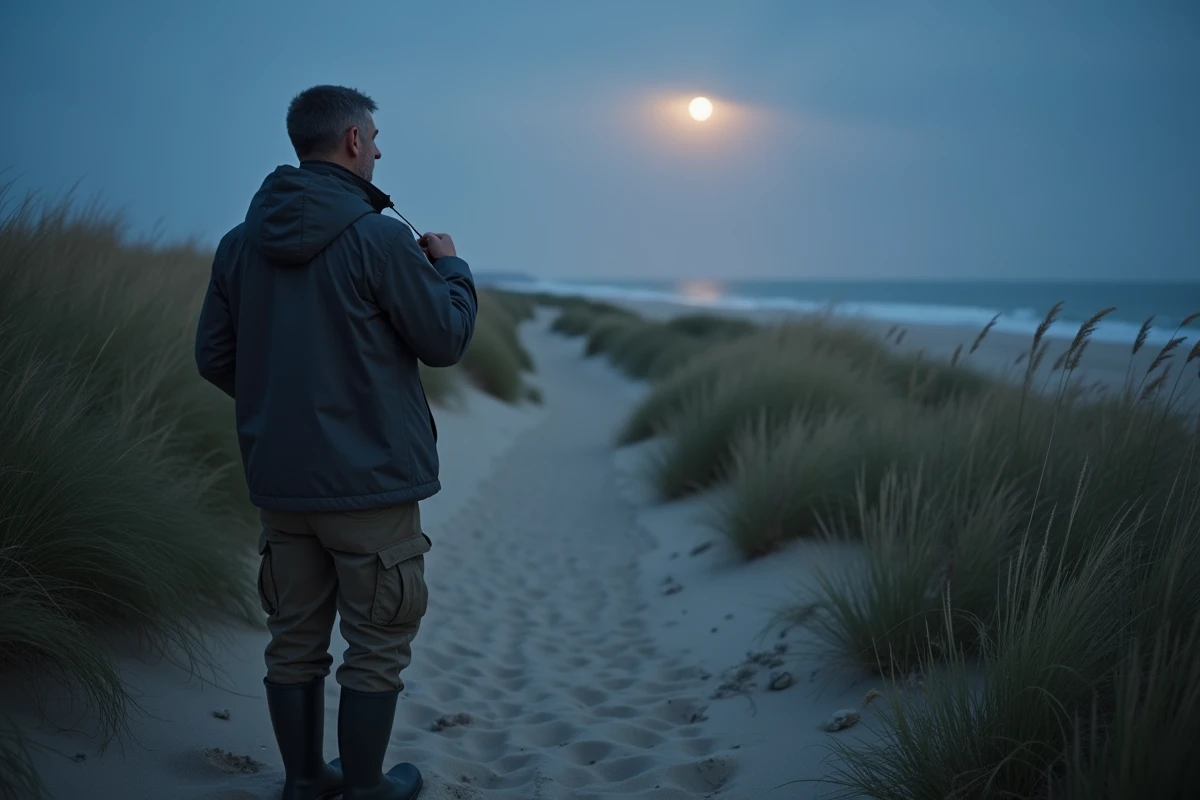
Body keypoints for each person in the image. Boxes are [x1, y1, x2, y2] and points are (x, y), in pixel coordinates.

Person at [194, 84, 477, 800]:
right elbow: (445, 339)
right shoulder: (380, 239)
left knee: (293, 639)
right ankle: (365, 788)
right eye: (374, 138)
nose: (379, 150)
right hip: (371, 483)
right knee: (377, 643)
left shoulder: (238, 244)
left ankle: (303, 781)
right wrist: (452, 269)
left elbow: (214, 357)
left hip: (282, 484)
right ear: (352, 140)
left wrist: (284, 411)